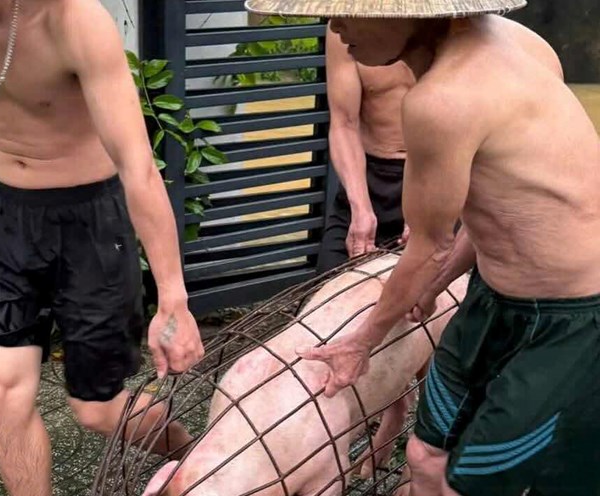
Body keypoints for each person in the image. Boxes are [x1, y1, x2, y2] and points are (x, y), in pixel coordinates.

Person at [245, 0, 600, 495]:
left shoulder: (444, 99)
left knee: (480, 482)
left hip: (570, 318)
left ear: (409, 10)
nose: (336, 25)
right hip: (493, 297)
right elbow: (502, 206)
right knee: (425, 456)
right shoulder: (512, 44)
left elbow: (431, 245)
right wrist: (436, 284)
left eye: (354, 10)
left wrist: (362, 342)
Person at [0, 1, 205, 494]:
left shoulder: (73, 20)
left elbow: (138, 168)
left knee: (98, 409)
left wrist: (173, 298)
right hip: (2, 217)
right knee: (2, 392)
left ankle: (196, 452)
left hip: (90, 225)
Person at [318, 26, 415, 273]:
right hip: (369, 178)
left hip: (440, 172)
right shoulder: (347, 26)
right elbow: (344, 123)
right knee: (328, 284)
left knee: (434, 289)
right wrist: (360, 208)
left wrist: (431, 206)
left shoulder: (456, 26)